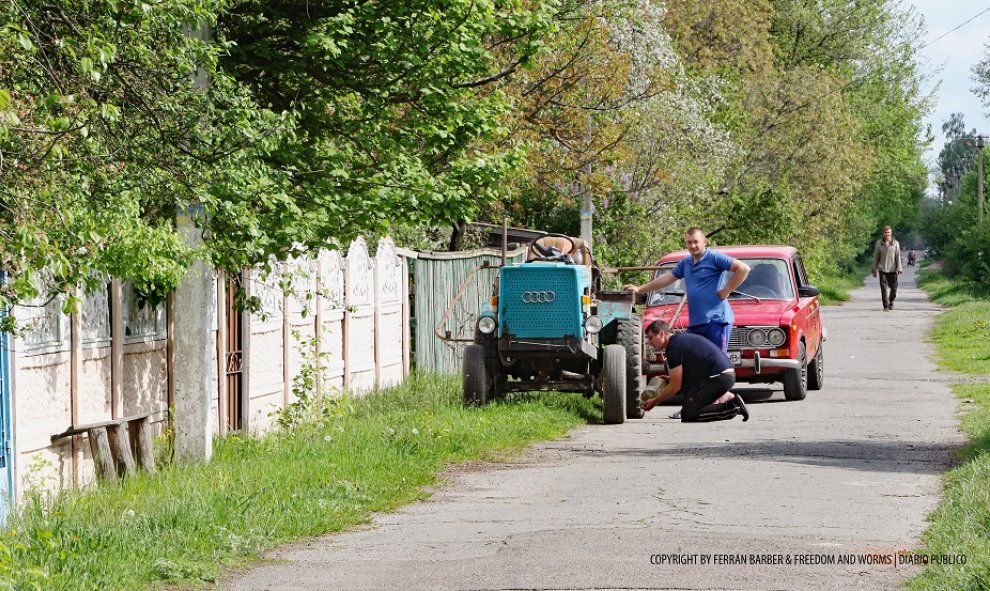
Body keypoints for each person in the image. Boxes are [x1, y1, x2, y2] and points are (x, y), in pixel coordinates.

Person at [622, 227, 750, 351]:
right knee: (692, 359)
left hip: (716, 320)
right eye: (689, 242)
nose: (693, 245)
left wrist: (726, 291)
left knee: (716, 361)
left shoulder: (714, 257)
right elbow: (667, 278)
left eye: (696, 242)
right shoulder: (686, 262)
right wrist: (640, 288)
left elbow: (743, 269)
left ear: (704, 242)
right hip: (696, 323)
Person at [641, 320, 748, 422]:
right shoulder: (679, 340)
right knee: (688, 398)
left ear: (661, 333)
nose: (650, 343)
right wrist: (669, 379)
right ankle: (725, 398)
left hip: (719, 377)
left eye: (651, 338)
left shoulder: (673, 347)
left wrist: (654, 402)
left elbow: (675, 387)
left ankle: (733, 406)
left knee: (689, 413)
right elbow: (684, 378)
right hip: (723, 375)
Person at [871, 225, 902, 311]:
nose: (887, 234)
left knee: (894, 288)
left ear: (891, 233)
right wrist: (874, 269)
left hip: (893, 269)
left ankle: (891, 301)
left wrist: (899, 268)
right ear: (883, 233)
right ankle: (886, 306)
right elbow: (876, 257)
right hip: (882, 269)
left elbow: (898, 256)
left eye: (888, 232)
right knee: (883, 288)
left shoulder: (896, 243)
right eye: (885, 232)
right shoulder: (879, 243)